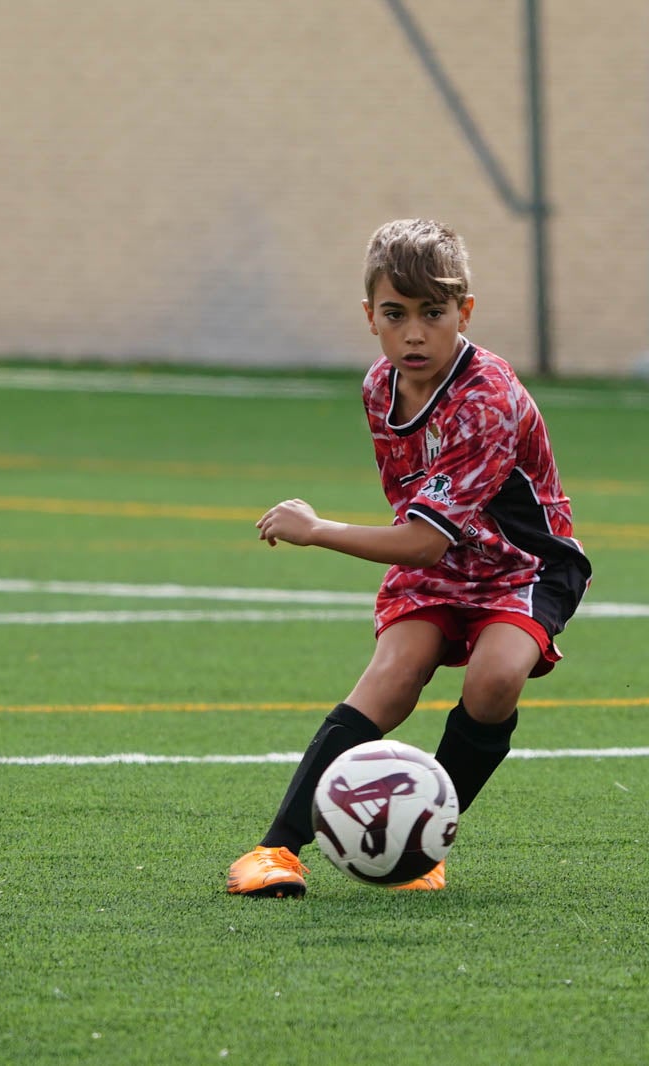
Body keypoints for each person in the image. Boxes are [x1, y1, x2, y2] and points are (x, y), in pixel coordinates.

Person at [226, 218, 590, 897]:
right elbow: (422, 529)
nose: (414, 333)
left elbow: (423, 537)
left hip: (523, 565)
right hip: (441, 559)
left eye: (434, 313)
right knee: (392, 678)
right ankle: (274, 851)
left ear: (465, 313)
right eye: (395, 315)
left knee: (494, 680)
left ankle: (420, 847)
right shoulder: (379, 388)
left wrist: (316, 529)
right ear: (370, 317)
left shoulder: (488, 399)